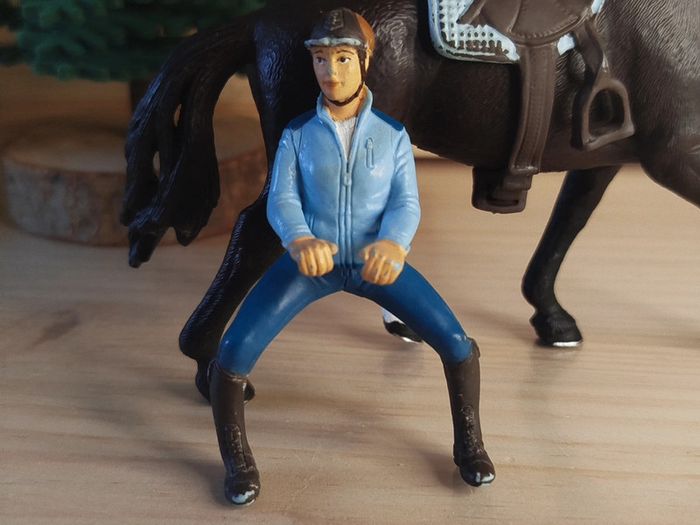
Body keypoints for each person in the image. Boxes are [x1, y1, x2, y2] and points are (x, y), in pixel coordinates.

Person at [208, 8, 495, 505]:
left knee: (456, 342)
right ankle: (237, 459)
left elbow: (405, 202)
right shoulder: (297, 135)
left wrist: (393, 243)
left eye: (342, 58)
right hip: (311, 265)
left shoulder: (392, 136)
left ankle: (469, 442)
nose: (331, 72)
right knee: (232, 351)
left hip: (374, 262)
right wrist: (299, 239)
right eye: (321, 59)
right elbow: (281, 198)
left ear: (364, 61)